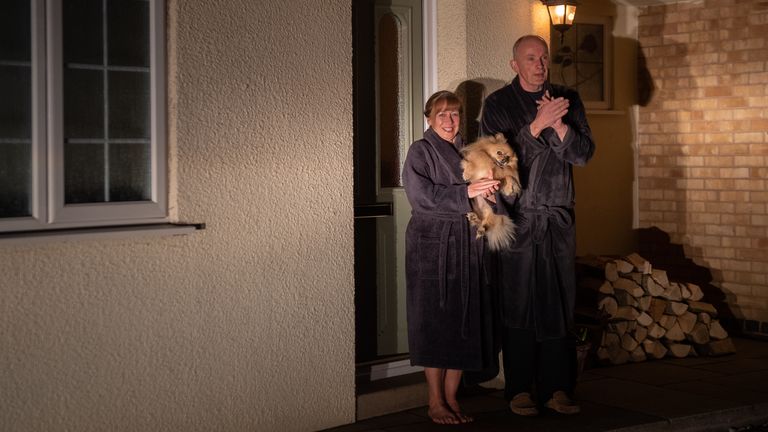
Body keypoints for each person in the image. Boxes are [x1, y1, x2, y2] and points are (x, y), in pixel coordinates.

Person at [479, 35, 596, 416]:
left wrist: (560, 127)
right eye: (531, 58)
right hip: (520, 219)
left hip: (558, 217)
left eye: (544, 57)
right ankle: (518, 389)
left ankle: (558, 388)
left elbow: (584, 155)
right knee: (518, 303)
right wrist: (535, 127)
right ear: (515, 64)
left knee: (559, 303)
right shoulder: (497, 105)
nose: (539, 64)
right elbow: (496, 164)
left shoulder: (568, 99)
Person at [402, 90, 499, 425]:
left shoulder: (471, 153)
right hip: (433, 247)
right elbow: (421, 196)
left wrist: (490, 192)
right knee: (435, 322)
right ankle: (434, 401)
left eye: (455, 114)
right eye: (442, 114)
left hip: (467, 242)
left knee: (463, 321)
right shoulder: (420, 151)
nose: (449, 120)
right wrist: (466, 192)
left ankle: (453, 398)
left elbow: (486, 196)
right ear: (429, 118)